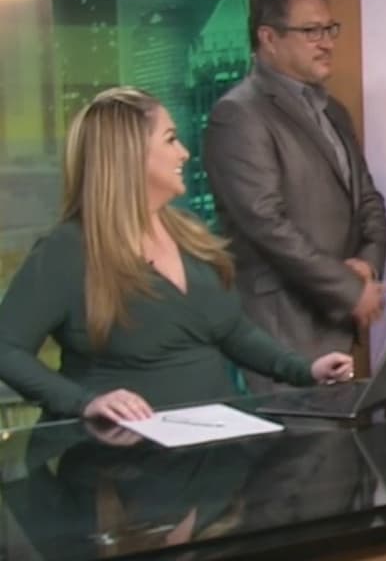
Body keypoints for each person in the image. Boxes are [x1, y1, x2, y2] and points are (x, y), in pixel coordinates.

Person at [0, 88, 353, 423]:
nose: (183, 153)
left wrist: (305, 369)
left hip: (216, 442)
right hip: (123, 453)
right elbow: (6, 348)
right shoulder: (67, 250)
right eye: (170, 140)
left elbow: (234, 332)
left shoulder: (188, 231)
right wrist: (83, 402)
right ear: (130, 155)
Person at [203, 0, 386, 391]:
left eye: (330, 29)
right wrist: (347, 288)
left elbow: (368, 200)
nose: (327, 43)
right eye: (311, 31)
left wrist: (367, 265)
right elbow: (266, 223)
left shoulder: (334, 111)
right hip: (282, 328)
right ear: (269, 38)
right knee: (297, 435)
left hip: (337, 319)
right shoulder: (239, 115)